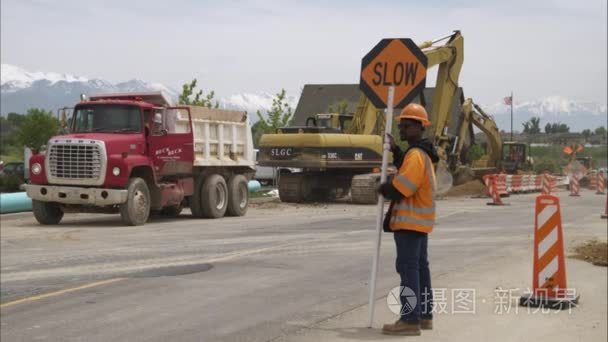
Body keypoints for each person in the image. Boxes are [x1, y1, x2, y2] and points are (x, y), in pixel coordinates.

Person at [378, 103, 439, 336]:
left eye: (406, 126)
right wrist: (395, 150)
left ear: (420, 127)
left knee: (408, 268)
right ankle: (424, 315)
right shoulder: (422, 153)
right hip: (419, 222)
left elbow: (404, 187)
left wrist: (383, 188)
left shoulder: (415, 155)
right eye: (401, 125)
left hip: (409, 221)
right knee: (420, 268)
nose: (402, 129)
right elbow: (407, 168)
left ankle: (409, 319)